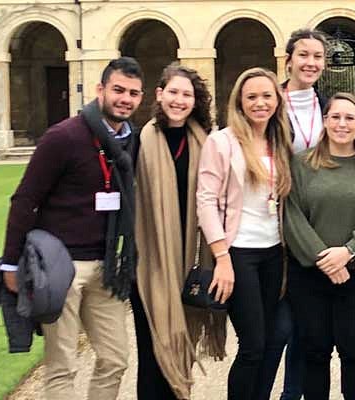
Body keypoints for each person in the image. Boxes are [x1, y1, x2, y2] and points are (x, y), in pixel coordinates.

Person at [0, 57, 144, 400]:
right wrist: (9, 262)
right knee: (62, 362)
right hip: (61, 265)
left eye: (133, 93)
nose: (125, 99)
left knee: (115, 358)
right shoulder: (63, 137)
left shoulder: (131, 141)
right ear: (100, 90)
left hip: (108, 265)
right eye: (118, 90)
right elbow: (25, 199)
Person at [283, 93, 355, 400]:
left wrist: (348, 251)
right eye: (335, 117)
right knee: (315, 350)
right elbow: (291, 216)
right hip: (310, 273)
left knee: (354, 349)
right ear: (325, 121)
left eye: (350, 118)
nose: (342, 124)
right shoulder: (302, 164)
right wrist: (325, 259)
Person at [128, 63, 228, 400]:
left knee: (178, 341)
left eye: (187, 94)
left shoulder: (205, 141)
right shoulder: (141, 140)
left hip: (188, 262)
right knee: (152, 348)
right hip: (150, 260)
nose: (179, 100)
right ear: (159, 94)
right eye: (173, 92)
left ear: (195, 100)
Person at [197, 67, 295, 400]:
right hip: (239, 252)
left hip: (274, 253)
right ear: (239, 101)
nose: (260, 103)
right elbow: (206, 200)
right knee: (253, 344)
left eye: (267, 96)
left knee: (272, 339)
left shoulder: (280, 141)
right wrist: (222, 257)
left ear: (277, 99)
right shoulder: (221, 141)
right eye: (251, 96)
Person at [270, 27, 331, 400]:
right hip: (274, 221)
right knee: (276, 326)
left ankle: (294, 394)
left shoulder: (328, 107)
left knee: (305, 323)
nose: (310, 62)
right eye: (303, 55)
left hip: (315, 222)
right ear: (288, 59)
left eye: (317, 56)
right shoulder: (270, 102)